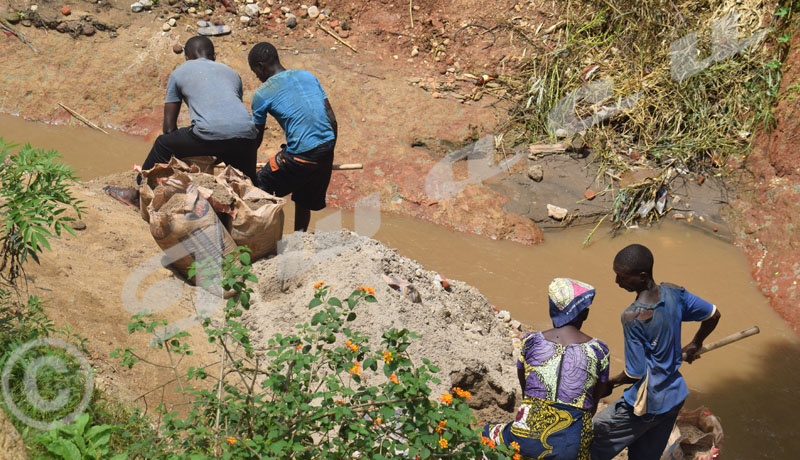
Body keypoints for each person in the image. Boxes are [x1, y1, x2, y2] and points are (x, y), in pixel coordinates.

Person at [591, 244, 722, 460]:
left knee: (591, 439)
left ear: (642, 277)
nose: (617, 281)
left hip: (645, 403)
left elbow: (635, 373)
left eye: (622, 277)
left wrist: (610, 383)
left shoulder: (633, 317)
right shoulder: (674, 293)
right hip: (673, 397)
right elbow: (713, 315)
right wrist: (695, 343)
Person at [105, 36, 258, 206]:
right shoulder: (232, 73)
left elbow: (169, 128)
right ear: (214, 56)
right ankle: (249, 210)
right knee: (249, 187)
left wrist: (187, 155)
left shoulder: (179, 73)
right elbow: (231, 118)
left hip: (208, 133)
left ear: (186, 58)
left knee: (163, 143)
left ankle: (136, 195)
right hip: (248, 136)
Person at [483, 278, 611, 460]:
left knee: (487, 434)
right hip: (570, 448)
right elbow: (592, 405)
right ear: (585, 314)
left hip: (524, 438)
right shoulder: (599, 350)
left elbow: (526, 392)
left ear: (552, 310)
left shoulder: (531, 341)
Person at [247, 42, 338, 232]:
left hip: (302, 155)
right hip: (327, 147)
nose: (257, 77)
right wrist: (326, 153)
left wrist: (244, 164)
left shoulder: (263, 93)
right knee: (303, 193)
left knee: (258, 187)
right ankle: (299, 238)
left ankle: (265, 239)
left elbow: (256, 139)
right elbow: (331, 117)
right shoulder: (307, 76)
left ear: (260, 66)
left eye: (255, 72)